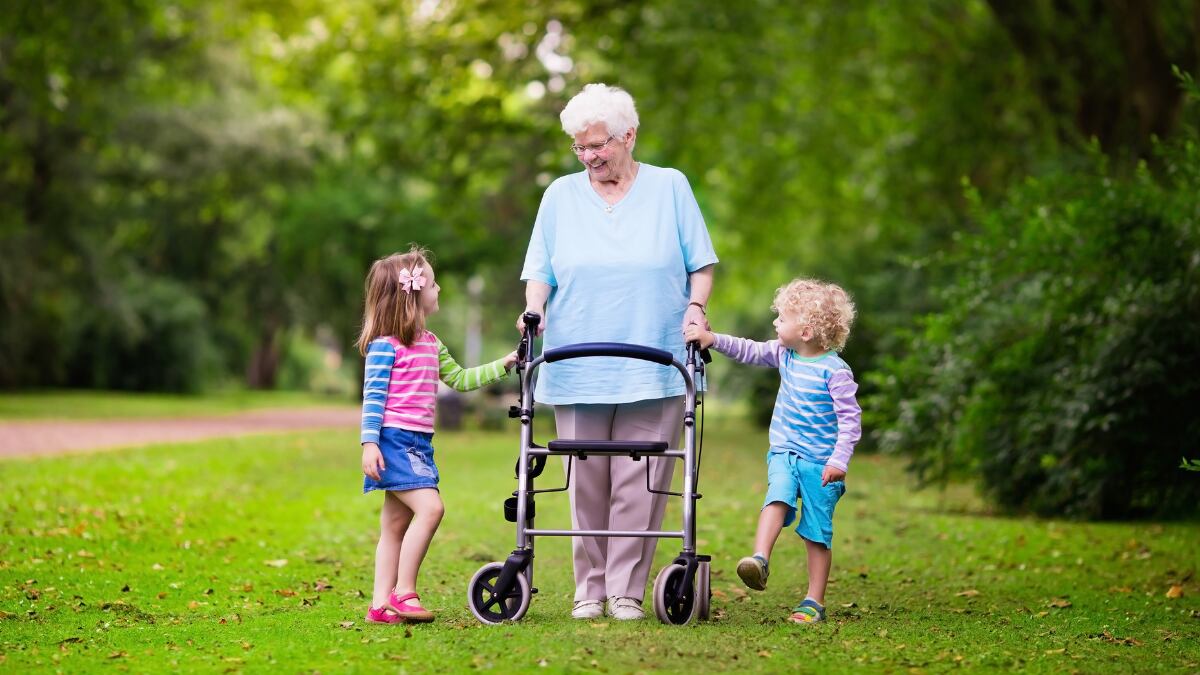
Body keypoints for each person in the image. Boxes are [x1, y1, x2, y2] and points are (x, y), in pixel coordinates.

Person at [517, 83, 718, 621]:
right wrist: (533, 311)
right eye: (580, 148)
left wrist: (696, 309)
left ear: (629, 135)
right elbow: (540, 271)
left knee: (642, 479)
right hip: (577, 357)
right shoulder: (560, 195)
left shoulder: (670, 187)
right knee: (587, 480)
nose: (589, 157)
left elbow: (700, 264)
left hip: (655, 357)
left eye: (598, 145)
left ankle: (627, 589)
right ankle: (590, 589)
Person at [684, 278, 861, 625]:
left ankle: (814, 601)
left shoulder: (835, 372)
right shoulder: (785, 354)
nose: (776, 323)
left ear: (806, 331)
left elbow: (850, 420)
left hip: (821, 464)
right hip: (784, 452)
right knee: (777, 496)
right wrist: (712, 340)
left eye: (782, 318)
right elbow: (748, 350)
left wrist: (839, 460)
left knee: (816, 533)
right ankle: (760, 559)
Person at [357, 246, 517, 624]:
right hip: (395, 440)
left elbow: (460, 379)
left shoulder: (431, 343)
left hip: (419, 444)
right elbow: (373, 399)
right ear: (413, 293)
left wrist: (504, 364)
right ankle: (404, 593)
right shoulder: (385, 346)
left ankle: (379, 606)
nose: (440, 288)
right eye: (433, 282)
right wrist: (369, 443)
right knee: (432, 508)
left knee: (395, 525)